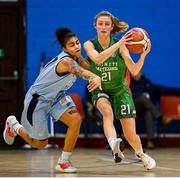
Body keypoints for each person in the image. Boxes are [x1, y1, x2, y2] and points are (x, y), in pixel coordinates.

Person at [3, 27, 102, 173]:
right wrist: (94, 77)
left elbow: (89, 67)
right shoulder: (66, 62)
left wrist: (83, 55)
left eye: (77, 43)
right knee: (40, 144)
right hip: (38, 101)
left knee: (75, 119)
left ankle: (63, 161)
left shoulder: (75, 57)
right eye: (72, 45)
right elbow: (80, 71)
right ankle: (13, 125)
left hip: (57, 97)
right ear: (64, 48)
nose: (76, 46)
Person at [83, 10, 156, 170]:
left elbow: (134, 70)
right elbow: (97, 58)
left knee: (131, 136)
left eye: (107, 24)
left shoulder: (122, 48)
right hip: (100, 89)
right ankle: (114, 145)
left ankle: (141, 154)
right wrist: (119, 43)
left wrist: (143, 55)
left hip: (121, 92)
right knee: (107, 112)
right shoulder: (89, 44)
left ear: (111, 27)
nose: (103, 27)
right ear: (95, 26)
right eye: (100, 24)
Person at [130, 71, 180, 148]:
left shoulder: (149, 85)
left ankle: (150, 141)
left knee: (149, 113)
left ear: (141, 73)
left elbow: (165, 90)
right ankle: (160, 118)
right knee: (143, 98)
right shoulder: (128, 85)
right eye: (134, 73)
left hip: (145, 111)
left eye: (138, 73)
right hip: (133, 109)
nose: (136, 75)